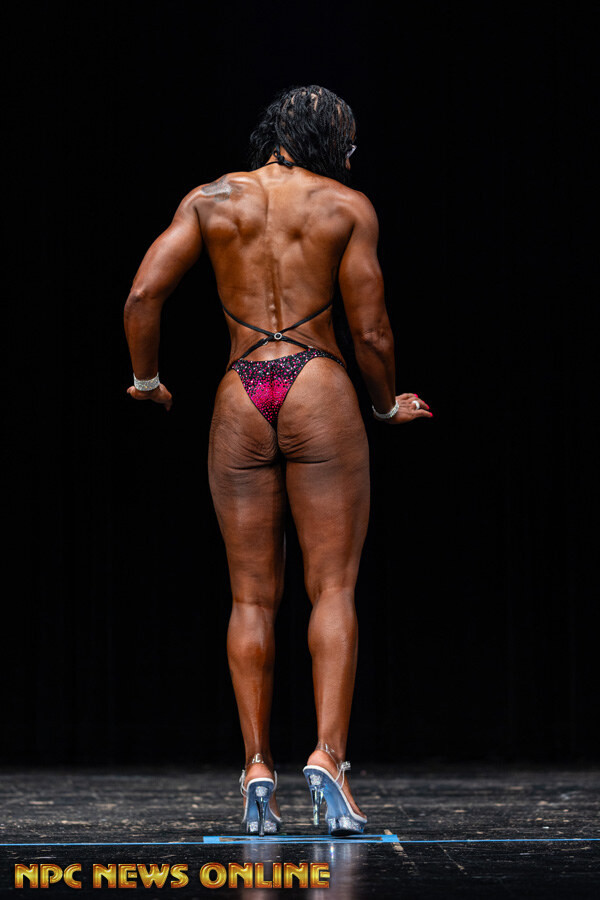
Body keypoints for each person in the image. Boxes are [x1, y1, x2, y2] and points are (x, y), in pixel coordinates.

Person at [123, 85, 433, 836]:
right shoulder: (345, 207)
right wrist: (386, 407)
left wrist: (147, 382)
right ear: (328, 142)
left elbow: (142, 296)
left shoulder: (209, 200)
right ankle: (329, 757)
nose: (351, 160)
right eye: (347, 145)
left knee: (251, 600)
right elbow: (373, 334)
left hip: (242, 391)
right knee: (333, 588)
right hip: (317, 385)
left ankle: (257, 767)